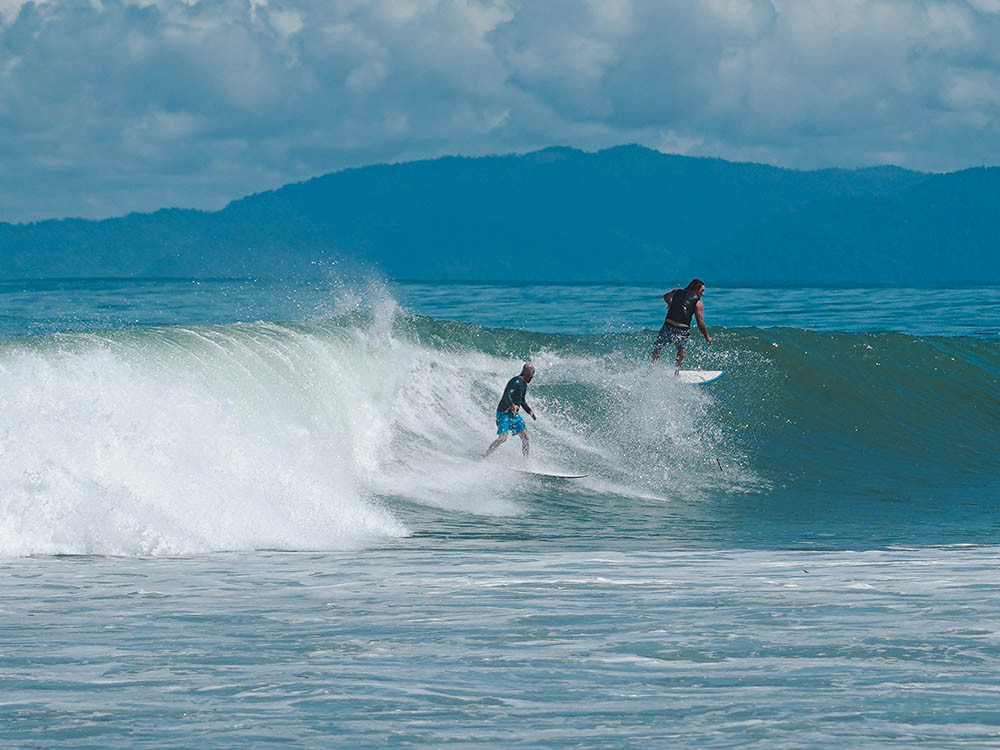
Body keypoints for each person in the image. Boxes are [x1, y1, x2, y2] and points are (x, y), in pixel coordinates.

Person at [651, 278, 713, 373]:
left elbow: (666, 297)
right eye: (702, 291)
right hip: (681, 329)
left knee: (658, 348)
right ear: (696, 289)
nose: (703, 294)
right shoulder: (698, 303)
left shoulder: (676, 292)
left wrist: (669, 304)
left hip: (668, 325)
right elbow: (700, 322)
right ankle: (676, 372)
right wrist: (707, 336)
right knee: (682, 350)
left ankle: (652, 369)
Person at [484, 362, 537, 459]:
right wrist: (512, 405)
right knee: (503, 438)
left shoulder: (524, 385)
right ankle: (485, 456)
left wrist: (529, 411)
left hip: (513, 415)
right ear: (528, 374)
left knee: (525, 437)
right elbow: (506, 395)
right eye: (532, 374)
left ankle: (526, 463)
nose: (532, 377)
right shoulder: (515, 381)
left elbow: (522, 400)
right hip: (503, 413)